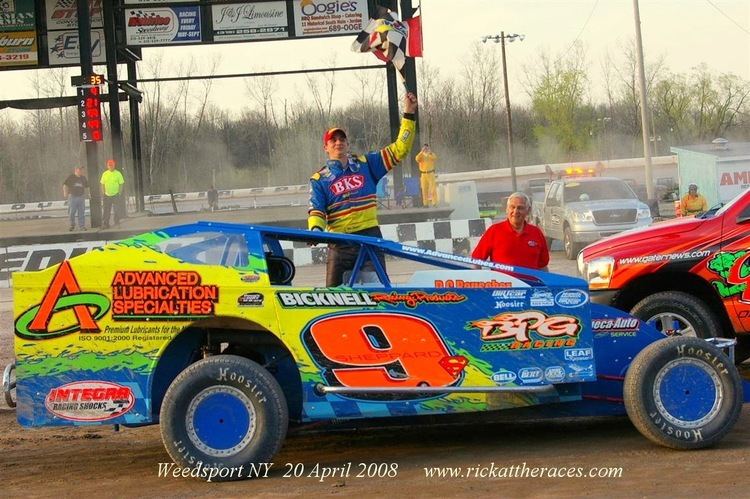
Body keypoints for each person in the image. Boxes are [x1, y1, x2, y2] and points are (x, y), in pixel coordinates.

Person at [308, 92, 418, 287]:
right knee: (332, 299)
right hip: (340, 243)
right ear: (326, 147)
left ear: (348, 144)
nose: (338, 142)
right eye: (333, 140)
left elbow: (400, 148)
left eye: (342, 139)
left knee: (380, 297)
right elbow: (317, 210)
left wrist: (408, 114)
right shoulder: (318, 179)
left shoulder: (367, 164)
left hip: (369, 238)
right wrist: (315, 231)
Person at [472, 192, 549, 271]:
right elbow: (476, 261)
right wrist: (479, 281)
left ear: (528, 210)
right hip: (503, 283)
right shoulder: (494, 231)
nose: (515, 211)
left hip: (531, 284)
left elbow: (543, 266)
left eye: (520, 208)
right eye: (512, 207)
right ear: (507, 209)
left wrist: (549, 282)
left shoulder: (536, 233)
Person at [100, 159, 125, 229]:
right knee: (106, 210)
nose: (111, 166)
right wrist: (103, 193)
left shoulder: (118, 173)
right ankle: (106, 224)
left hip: (116, 195)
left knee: (117, 209)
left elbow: (121, 183)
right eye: (109, 165)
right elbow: (102, 184)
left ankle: (117, 223)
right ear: (107, 166)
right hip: (107, 195)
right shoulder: (105, 174)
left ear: (114, 165)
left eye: (112, 165)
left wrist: (119, 192)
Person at [63, 166, 88, 231]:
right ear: (76, 170)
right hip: (72, 197)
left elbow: (87, 186)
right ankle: (72, 225)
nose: (80, 171)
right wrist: (65, 193)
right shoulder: (71, 177)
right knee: (71, 212)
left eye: (81, 169)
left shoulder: (83, 178)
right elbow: (65, 185)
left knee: (81, 212)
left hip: (81, 197)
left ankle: (82, 226)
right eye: (79, 169)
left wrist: (89, 194)